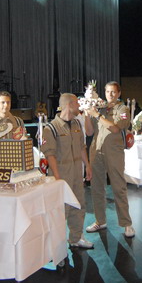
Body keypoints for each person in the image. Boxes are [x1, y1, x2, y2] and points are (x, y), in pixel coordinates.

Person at [41, 93, 94, 249]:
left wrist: (87, 165)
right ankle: (56, 244)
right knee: (60, 208)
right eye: (77, 103)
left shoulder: (77, 124)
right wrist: (57, 177)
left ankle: (76, 238)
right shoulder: (51, 128)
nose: (79, 106)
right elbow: (49, 154)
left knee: (78, 204)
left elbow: (82, 147)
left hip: (76, 171)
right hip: (61, 172)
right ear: (69, 105)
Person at [85, 82, 135, 238]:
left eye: (113, 92)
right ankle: (100, 220)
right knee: (96, 188)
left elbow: (115, 128)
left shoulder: (122, 109)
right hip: (96, 151)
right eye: (107, 92)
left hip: (114, 152)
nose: (110, 95)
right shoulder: (100, 108)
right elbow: (89, 132)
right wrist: (87, 114)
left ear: (119, 93)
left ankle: (127, 224)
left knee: (119, 187)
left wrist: (97, 115)